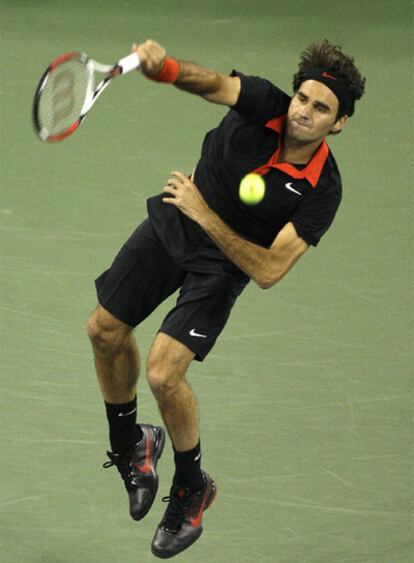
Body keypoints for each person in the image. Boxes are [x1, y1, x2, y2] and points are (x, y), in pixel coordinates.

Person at [87, 39, 365, 558]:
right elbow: (212, 83)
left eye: (321, 107)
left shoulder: (323, 190)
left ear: (340, 122)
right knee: (103, 330)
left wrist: (203, 212)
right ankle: (132, 445)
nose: (303, 111)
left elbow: (268, 269)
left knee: (165, 373)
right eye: (302, 98)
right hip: (175, 221)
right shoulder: (264, 102)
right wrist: (165, 68)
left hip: (224, 264)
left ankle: (192, 489)